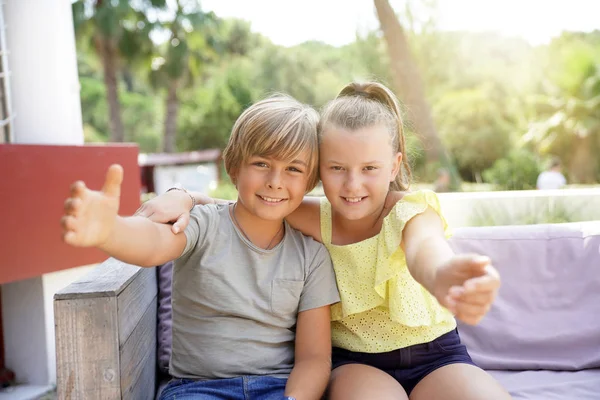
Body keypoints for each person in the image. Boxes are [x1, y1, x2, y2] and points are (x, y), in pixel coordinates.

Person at [138, 82, 511, 399]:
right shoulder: (313, 215)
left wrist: (442, 275)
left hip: (436, 355)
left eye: (370, 169)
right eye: (337, 169)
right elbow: (240, 203)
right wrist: (180, 195)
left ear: (394, 166)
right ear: (318, 171)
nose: (352, 185)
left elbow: (424, 250)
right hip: (356, 362)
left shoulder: (412, 211)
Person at [60, 95, 340, 400]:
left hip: (278, 388)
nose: (275, 181)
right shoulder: (203, 224)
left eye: (293, 169)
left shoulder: (311, 256)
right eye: (261, 163)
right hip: (198, 389)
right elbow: (154, 243)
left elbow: (314, 358)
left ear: (310, 180)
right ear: (234, 167)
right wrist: (110, 231)